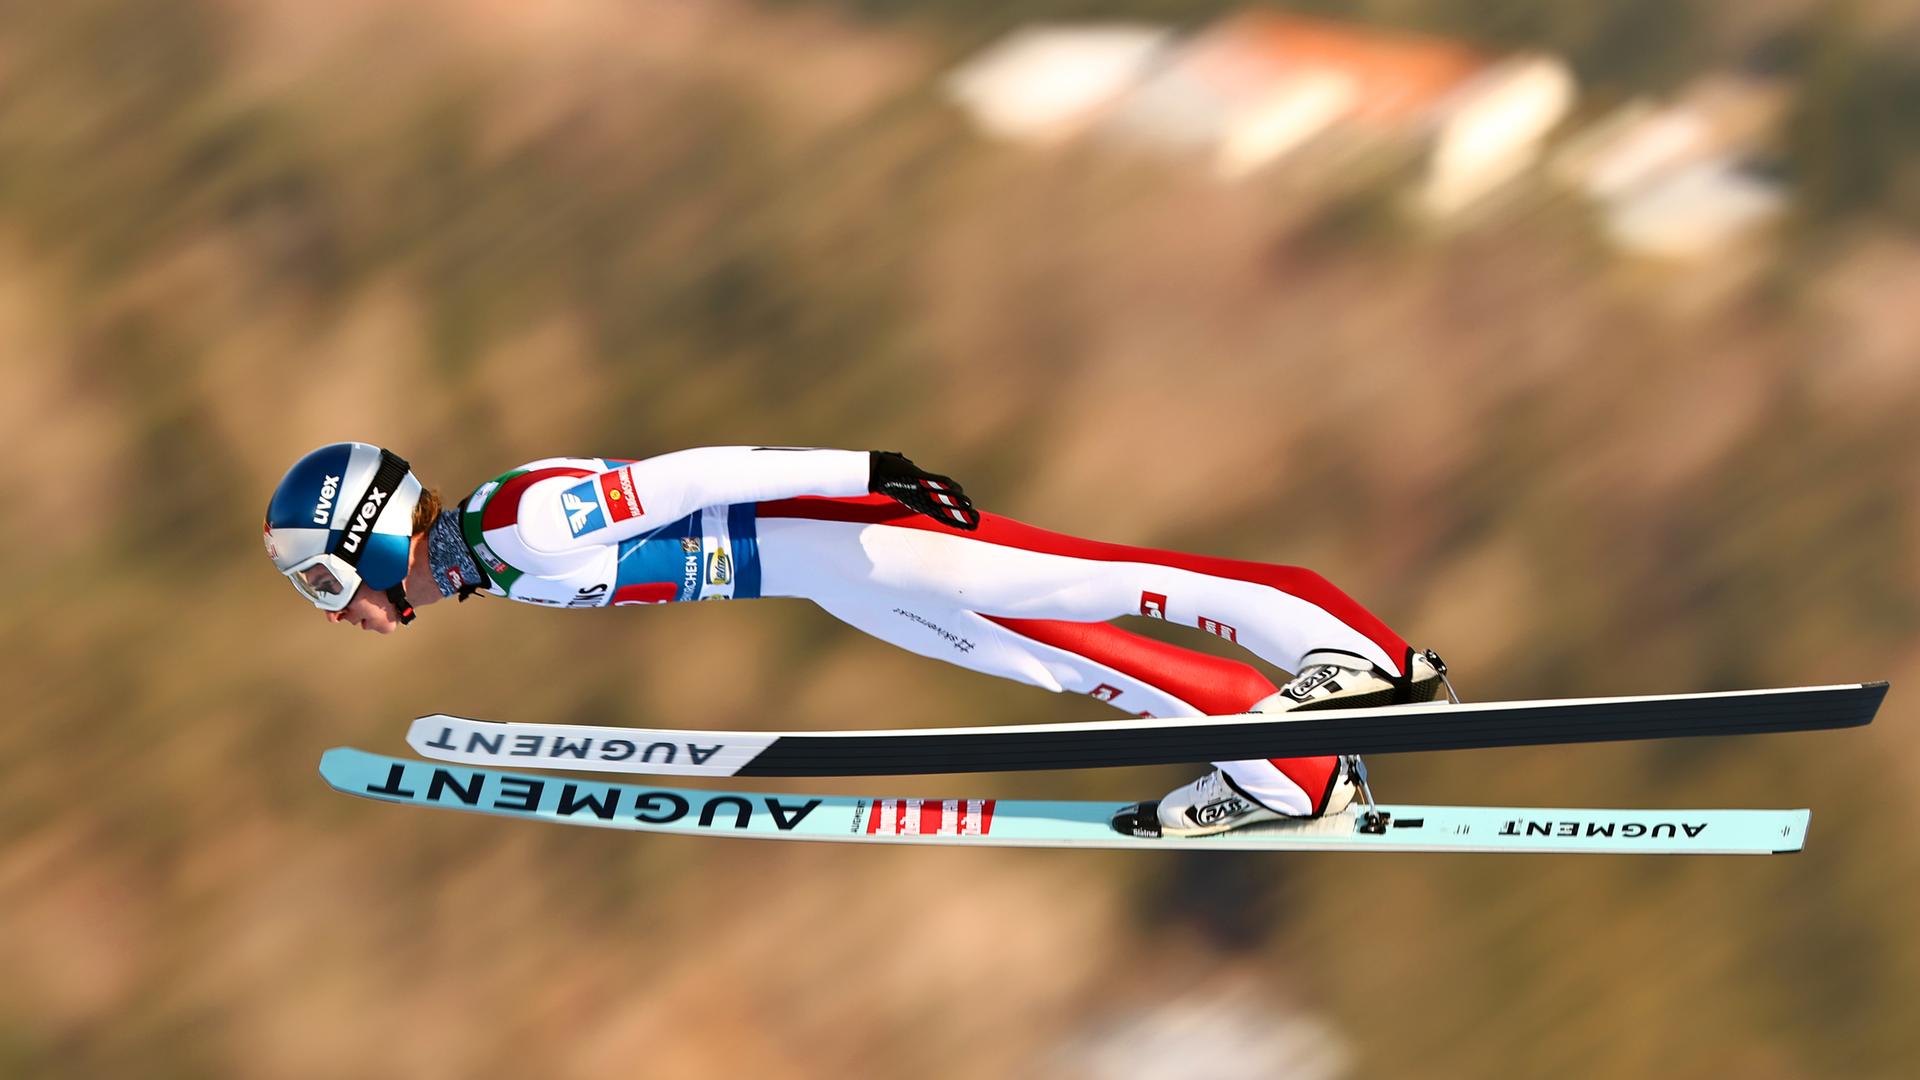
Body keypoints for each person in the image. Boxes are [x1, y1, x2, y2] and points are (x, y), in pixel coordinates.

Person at [264, 442, 1444, 837]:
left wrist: (871, 473)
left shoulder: (518, 523)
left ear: (366, 536)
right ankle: (1285, 770)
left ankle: (1372, 660)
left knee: (1114, 584)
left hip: (862, 536)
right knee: (1057, 658)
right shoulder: (495, 562)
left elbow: (696, 476)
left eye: (321, 576)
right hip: (839, 582)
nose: (333, 606)